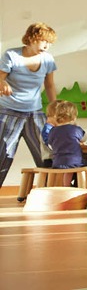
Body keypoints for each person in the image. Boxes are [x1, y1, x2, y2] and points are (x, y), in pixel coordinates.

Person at [0, 22, 58, 187]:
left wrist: (55, 109)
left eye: (49, 43)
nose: (46, 46)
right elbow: (0, 77)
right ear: (32, 39)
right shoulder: (12, 55)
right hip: (8, 111)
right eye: (43, 41)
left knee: (46, 153)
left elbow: (50, 85)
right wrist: (2, 84)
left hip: (34, 112)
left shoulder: (47, 59)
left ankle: (52, 191)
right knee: (3, 155)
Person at [47, 100, 87, 187]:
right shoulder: (75, 129)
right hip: (74, 162)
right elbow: (84, 138)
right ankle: (80, 186)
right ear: (74, 117)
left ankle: (67, 186)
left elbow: (50, 145)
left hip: (57, 162)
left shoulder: (53, 130)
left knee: (68, 167)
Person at [41, 99, 62, 168]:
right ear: (55, 116)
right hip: (51, 161)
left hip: (58, 160)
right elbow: (50, 144)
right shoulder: (48, 129)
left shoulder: (55, 128)